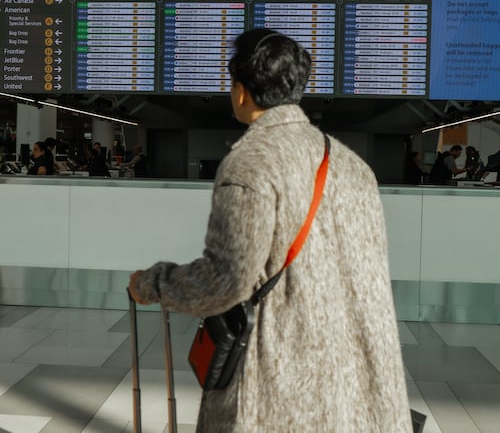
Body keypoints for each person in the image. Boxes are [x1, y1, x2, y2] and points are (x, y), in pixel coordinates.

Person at [128, 29, 411, 432]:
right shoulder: (354, 167)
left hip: (283, 387)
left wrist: (154, 283)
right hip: (357, 385)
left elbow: (226, 280)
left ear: (241, 91)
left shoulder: (250, 165)